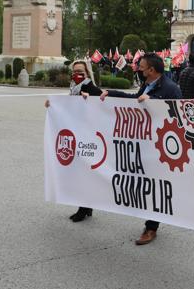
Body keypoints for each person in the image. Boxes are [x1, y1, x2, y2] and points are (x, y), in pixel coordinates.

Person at [99, 53, 182, 245]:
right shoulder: (148, 84)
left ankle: (151, 228)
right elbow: (134, 99)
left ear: (152, 70)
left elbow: (177, 117)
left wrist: (153, 103)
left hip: (160, 147)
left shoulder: (171, 89)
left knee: (156, 186)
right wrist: (110, 93)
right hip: (145, 143)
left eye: (141, 67)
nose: (138, 70)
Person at [44, 60, 102, 222]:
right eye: (74, 71)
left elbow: (103, 103)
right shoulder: (75, 88)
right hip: (77, 134)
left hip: (88, 136)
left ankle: (83, 208)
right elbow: (68, 108)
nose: (77, 75)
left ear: (87, 74)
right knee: (79, 171)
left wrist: (90, 99)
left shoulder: (91, 88)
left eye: (80, 72)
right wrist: (53, 105)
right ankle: (86, 206)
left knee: (83, 172)